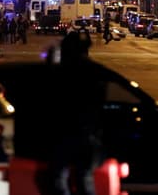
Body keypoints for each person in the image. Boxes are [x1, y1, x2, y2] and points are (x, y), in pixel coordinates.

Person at [46, 31, 104, 195]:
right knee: (83, 178)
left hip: (67, 132)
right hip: (85, 134)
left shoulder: (63, 72)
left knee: (59, 178)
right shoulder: (94, 71)